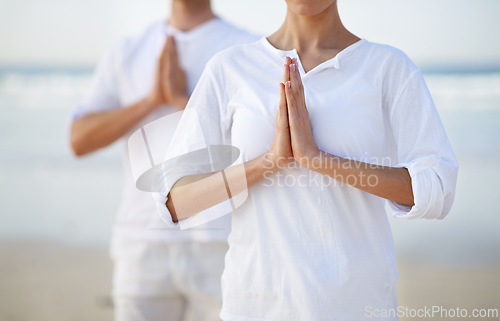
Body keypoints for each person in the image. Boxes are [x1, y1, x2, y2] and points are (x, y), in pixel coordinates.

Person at [154, 0, 459, 320]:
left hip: (356, 304)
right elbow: (176, 201)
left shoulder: (388, 66)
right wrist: (270, 161)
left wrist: (318, 159)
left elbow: (436, 190)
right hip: (257, 303)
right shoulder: (230, 67)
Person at [70, 0, 258, 320]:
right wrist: (151, 100)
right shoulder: (128, 49)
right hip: (140, 241)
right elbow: (79, 139)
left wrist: (182, 101)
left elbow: (264, 148)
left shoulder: (248, 49)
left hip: (222, 240)